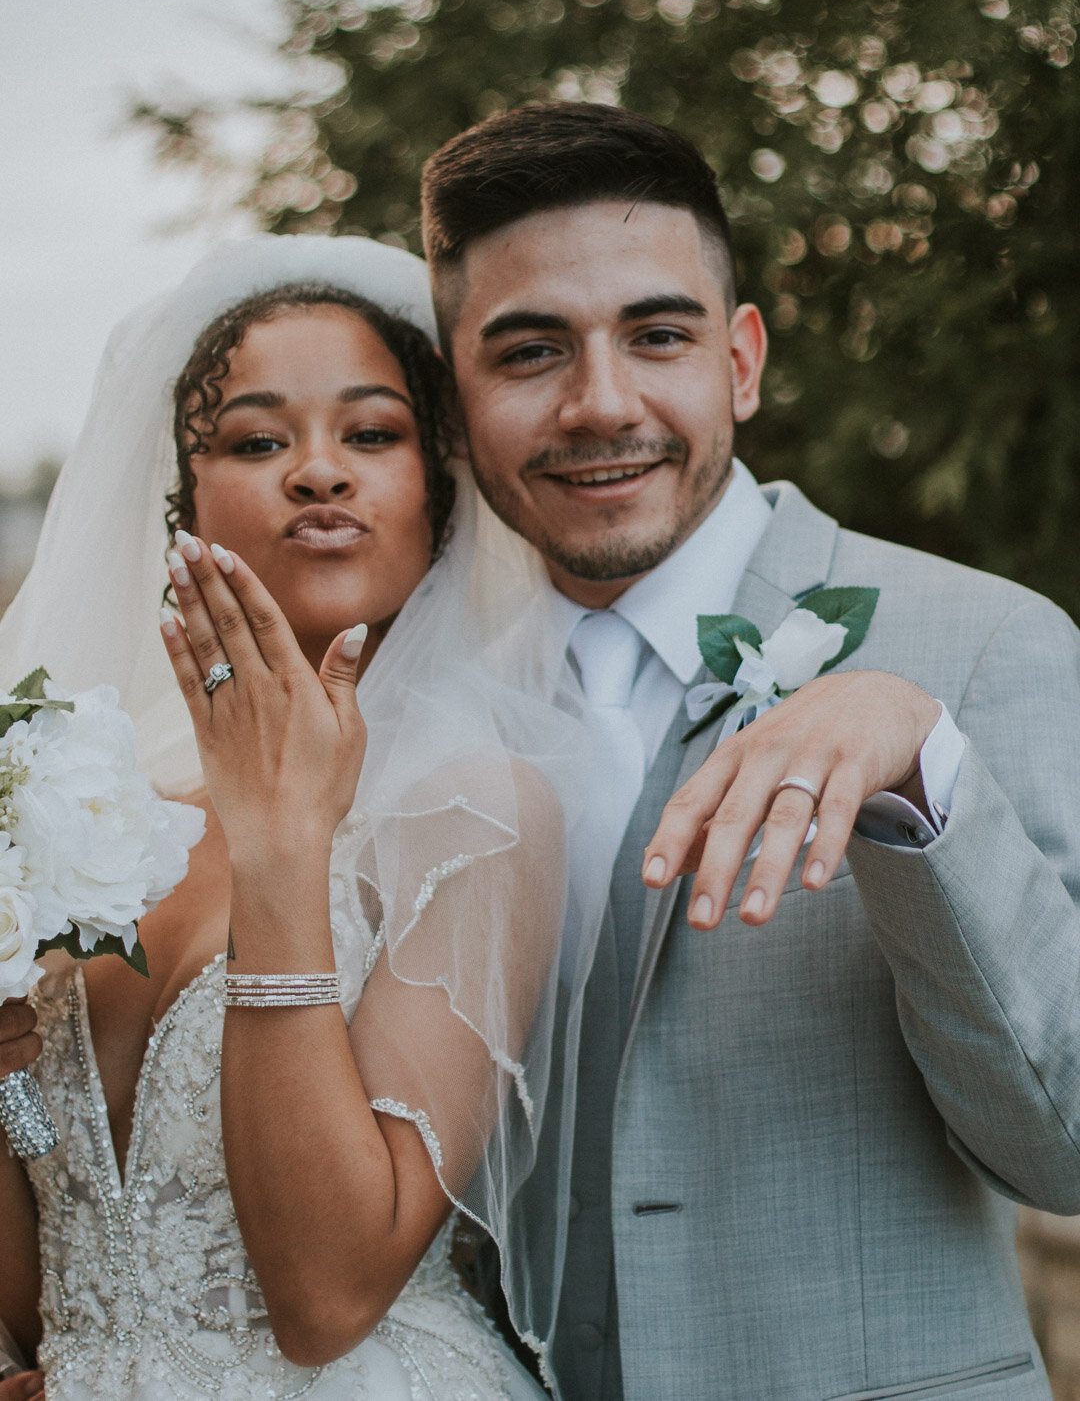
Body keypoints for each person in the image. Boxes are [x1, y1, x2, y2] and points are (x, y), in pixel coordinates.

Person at [419, 102, 1080, 1401]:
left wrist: (925, 793)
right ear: (455, 399)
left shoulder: (990, 647)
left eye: (656, 337)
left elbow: (1067, 1151)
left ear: (744, 360)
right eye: (530, 352)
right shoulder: (424, 724)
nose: (600, 405)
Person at [0, 235, 597, 1399]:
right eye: (258, 440)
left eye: (370, 435)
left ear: (438, 490)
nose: (318, 472)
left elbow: (326, 1297)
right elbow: (58, 1294)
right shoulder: (103, 824)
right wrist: (5, 1083)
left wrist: (282, 848)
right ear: (188, 499)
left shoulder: (475, 812)